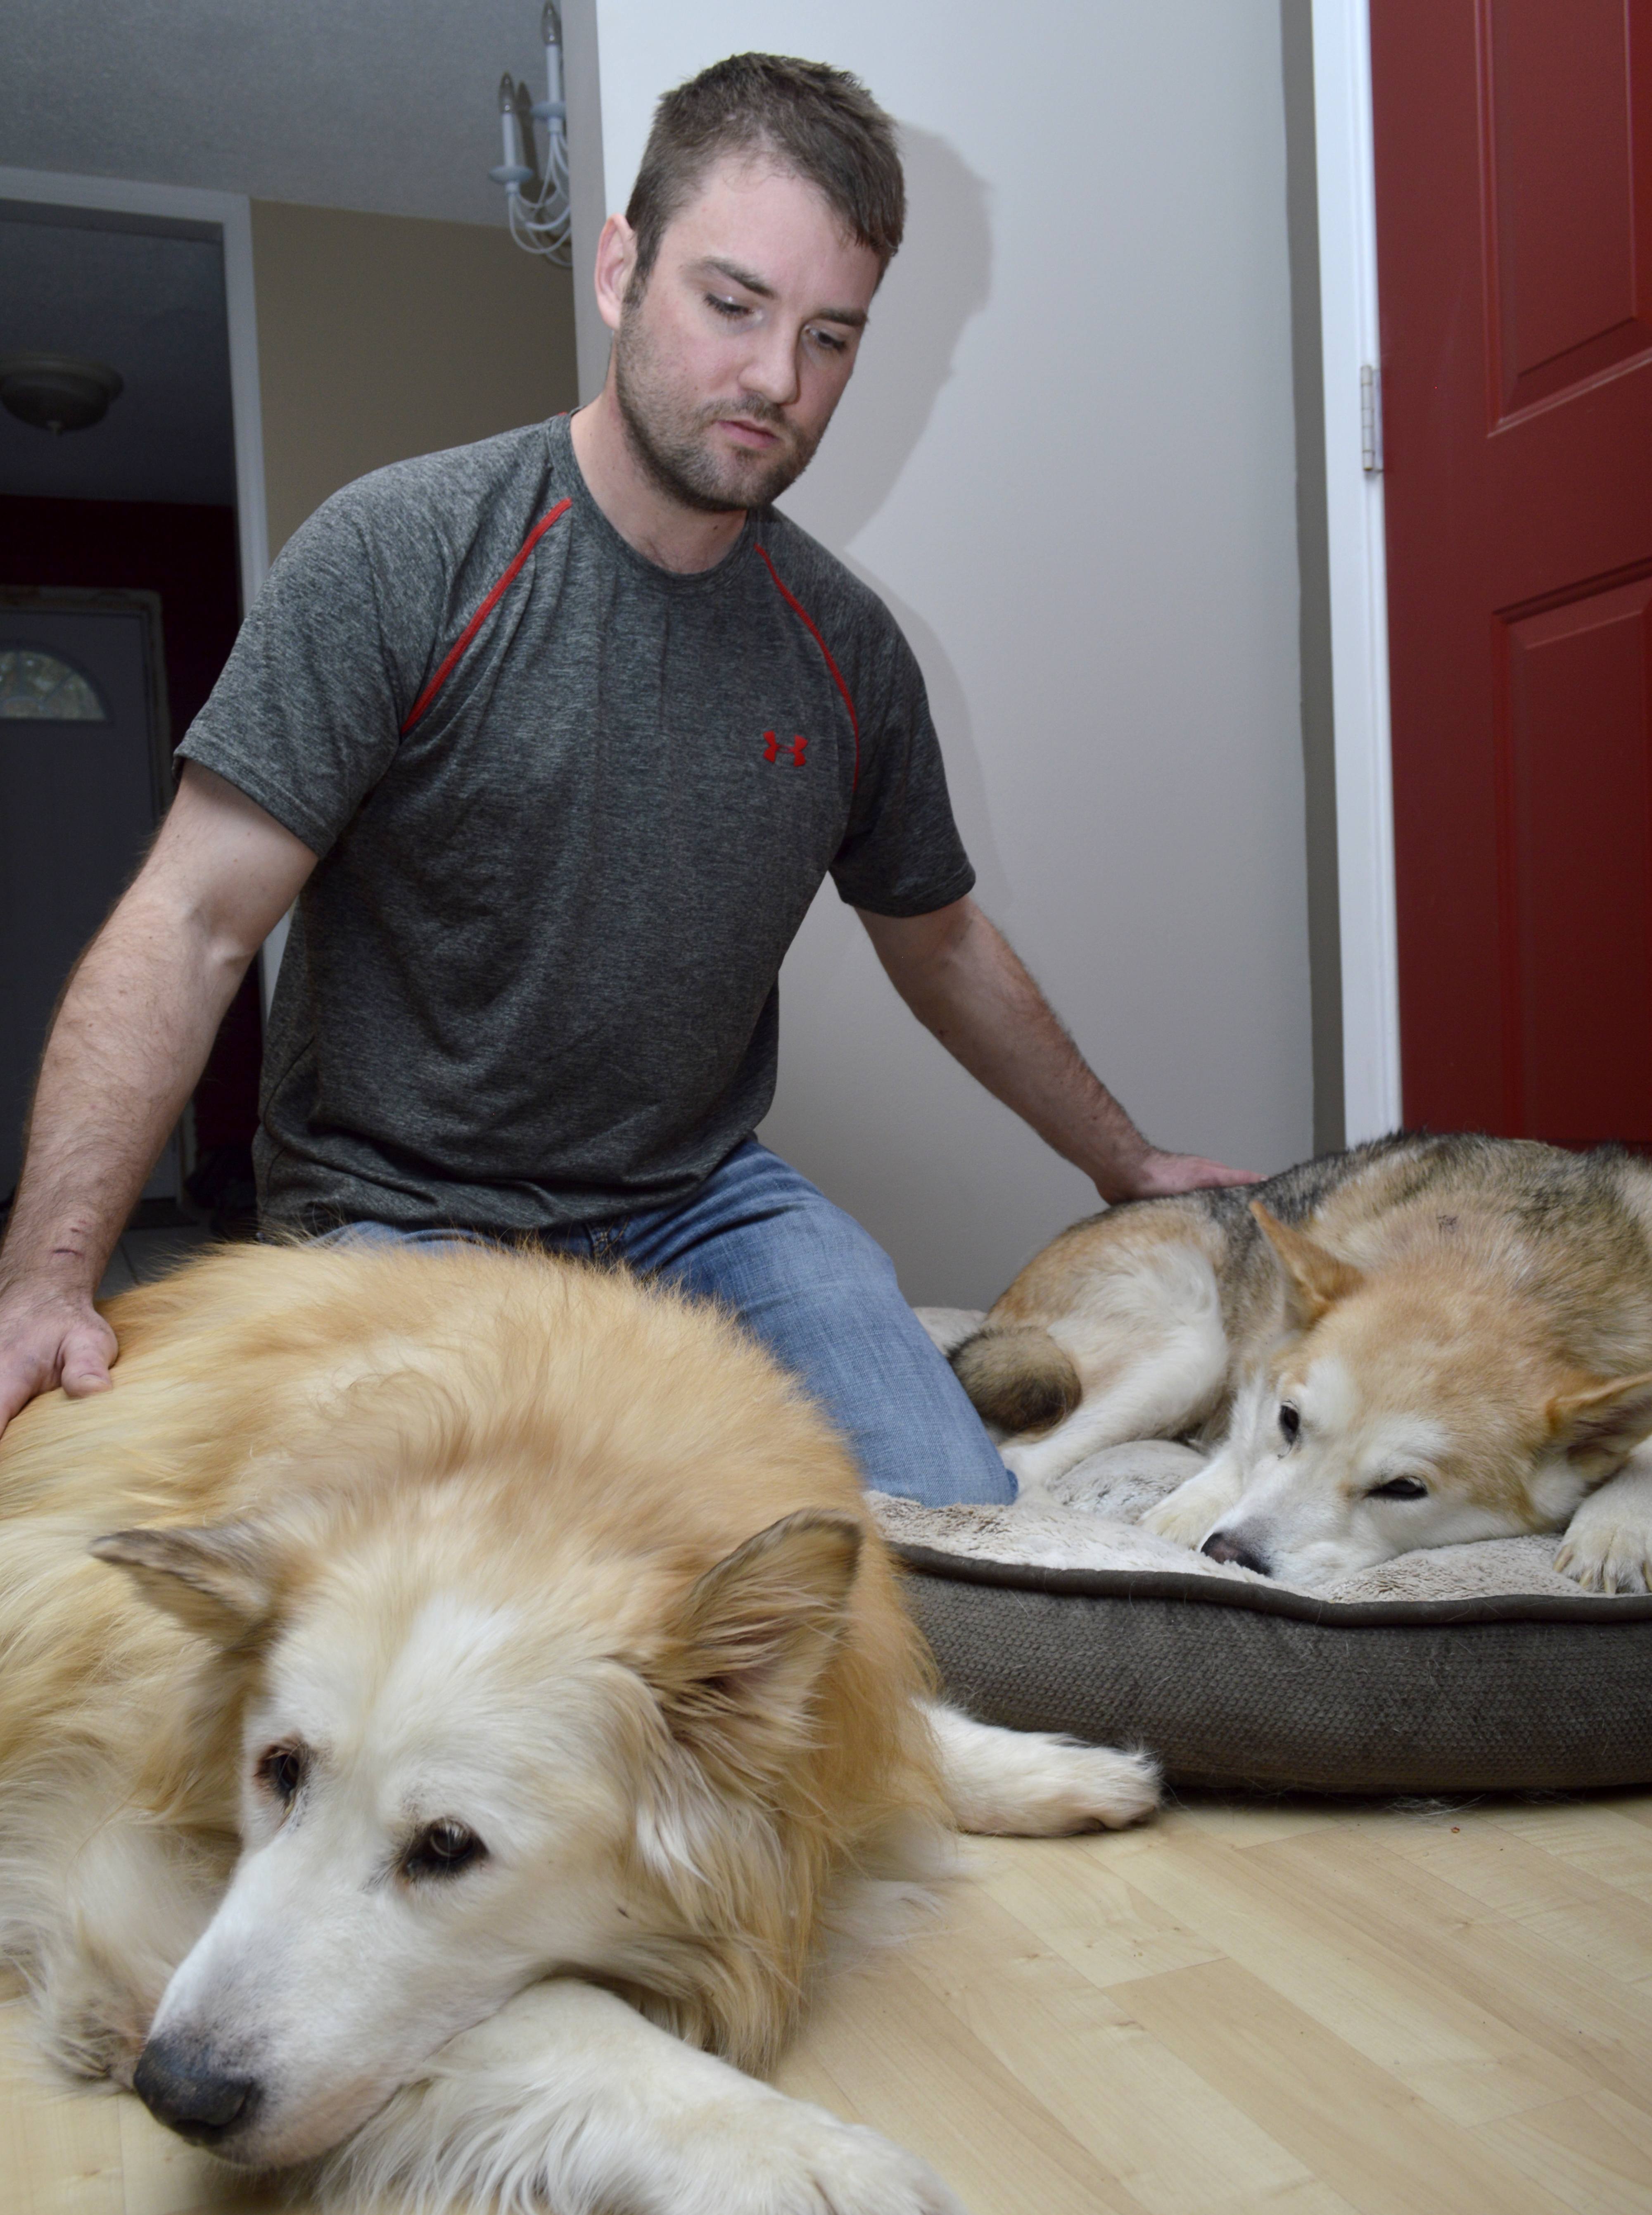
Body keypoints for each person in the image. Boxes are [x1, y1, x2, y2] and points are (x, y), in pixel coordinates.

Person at [0, 54, 1258, 1493]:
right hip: (402, 1212)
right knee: (506, 1570)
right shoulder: (402, 553)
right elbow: (192, 919)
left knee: (953, 1521)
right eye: (733, 305)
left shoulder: (848, 650)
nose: (778, 379)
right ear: (619, 269)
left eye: (831, 336)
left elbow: (944, 939)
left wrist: (1130, 1161)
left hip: (696, 1201)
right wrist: (46, 1279)